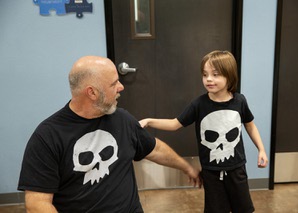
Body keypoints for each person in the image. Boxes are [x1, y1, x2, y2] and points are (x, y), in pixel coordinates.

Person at [18, 56, 201, 213]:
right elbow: (37, 203)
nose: (121, 87)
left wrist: (187, 167)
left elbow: (155, 149)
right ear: (92, 92)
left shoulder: (121, 119)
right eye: (114, 83)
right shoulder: (48, 137)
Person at [139, 50, 269, 213]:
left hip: (237, 169)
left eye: (215, 74)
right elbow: (175, 124)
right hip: (211, 173)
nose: (208, 79)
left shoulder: (240, 101)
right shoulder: (199, 104)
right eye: (205, 74)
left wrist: (261, 150)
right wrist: (149, 121)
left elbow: (250, 125)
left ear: (229, 76)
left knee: (243, 209)